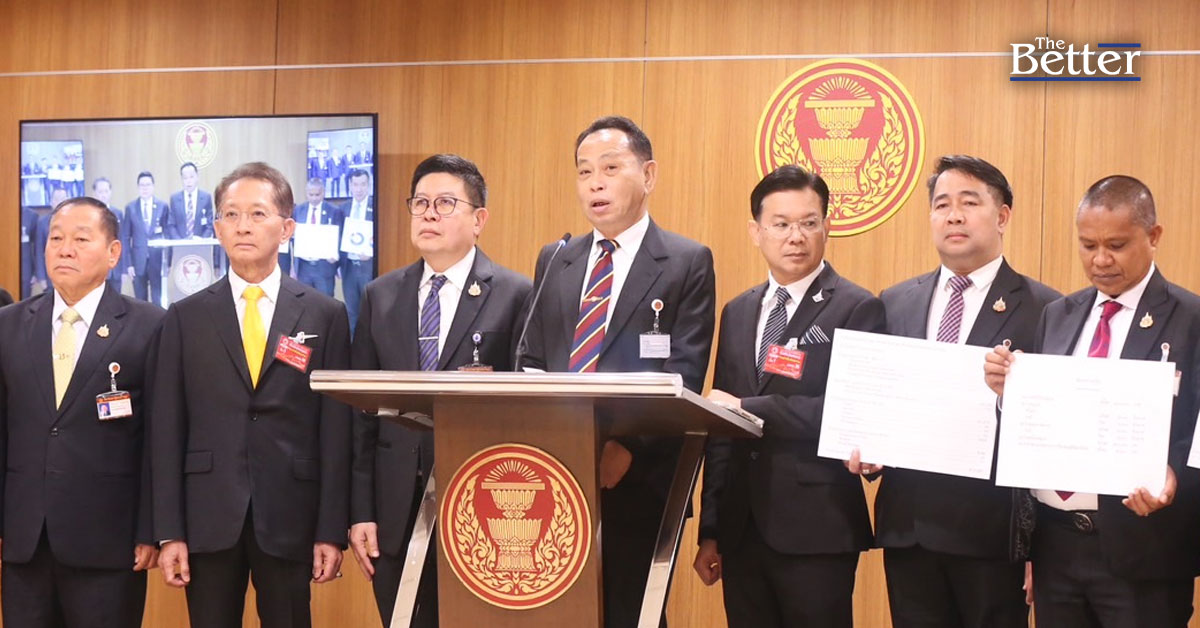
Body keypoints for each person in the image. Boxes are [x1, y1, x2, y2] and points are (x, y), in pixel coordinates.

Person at [520, 116, 716, 627]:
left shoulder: (685, 261)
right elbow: (532, 359)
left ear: (648, 175)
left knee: (631, 614)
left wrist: (625, 448)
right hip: (554, 469)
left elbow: (684, 374)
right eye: (584, 172)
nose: (595, 184)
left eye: (610, 168)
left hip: (638, 476)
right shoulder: (556, 259)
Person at [984, 175, 1200, 628]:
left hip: (1145, 550)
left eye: (1116, 245)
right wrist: (1011, 396)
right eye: (1088, 245)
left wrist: (1176, 477)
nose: (1100, 260)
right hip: (1056, 546)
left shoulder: (1190, 319)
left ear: (1153, 236)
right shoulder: (1059, 315)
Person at [854, 156, 1060, 628]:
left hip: (993, 536)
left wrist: (1040, 545)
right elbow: (881, 403)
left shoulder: (1046, 309)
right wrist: (869, 447)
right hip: (909, 530)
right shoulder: (895, 301)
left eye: (969, 203)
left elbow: (1051, 432)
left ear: (1002, 216)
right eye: (942, 204)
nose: (954, 216)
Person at [151, 162, 352, 627]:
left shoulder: (325, 315)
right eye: (231, 214)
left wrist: (330, 529)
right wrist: (169, 532)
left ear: (287, 228)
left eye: (258, 214)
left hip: (291, 513)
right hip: (207, 517)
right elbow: (166, 430)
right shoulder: (184, 318)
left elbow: (336, 430)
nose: (243, 226)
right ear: (217, 228)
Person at [349, 154, 532, 627]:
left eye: (445, 203)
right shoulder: (380, 296)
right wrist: (361, 511)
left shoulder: (515, 294)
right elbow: (361, 417)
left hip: (480, 504)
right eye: (420, 203)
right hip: (393, 506)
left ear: (479, 219)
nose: (429, 214)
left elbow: (527, 410)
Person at [694, 166, 881, 628]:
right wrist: (711, 530)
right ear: (756, 231)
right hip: (742, 529)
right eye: (780, 224)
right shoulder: (738, 311)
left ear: (827, 226)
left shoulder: (857, 307)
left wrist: (749, 409)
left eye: (808, 223)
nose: (795, 237)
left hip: (816, 529)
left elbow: (848, 413)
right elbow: (721, 430)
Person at [0, 196, 163, 627]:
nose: (65, 250)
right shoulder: (9, 325)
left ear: (113, 253)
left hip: (110, 541)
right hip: (25, 541)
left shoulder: (149, 326)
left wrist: (151, 528)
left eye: (80, 239)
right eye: (56, 239)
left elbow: (159, 439)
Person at [120, 172, 170, 305]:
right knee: (140, 302)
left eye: (148, 185)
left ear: (153, 186)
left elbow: (167, 235)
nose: (145, 188)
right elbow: (125, 238)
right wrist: (128, 264)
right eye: (142, 185)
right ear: (138, 187)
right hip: (137, 262)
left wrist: (168, 262)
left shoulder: (162, 206)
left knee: (158, 300)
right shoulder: (131, 208)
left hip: (157, 261)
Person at [292, 178, 342, 297]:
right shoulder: (299, 210)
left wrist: (336, 255)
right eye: (311, 195)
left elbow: (339, 236)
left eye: (317, 195)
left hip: (324, 267)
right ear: (306, 193)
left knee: (325, 302)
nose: (314, 198)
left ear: (323, 193)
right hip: (304, 267)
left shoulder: (334, 211)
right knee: (304, 302)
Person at [340, 169, 375, 333]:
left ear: (369, 185)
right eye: (355, 184)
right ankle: (354, 347)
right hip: (348, 268)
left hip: (369, 267)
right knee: (351, 313)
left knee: (371, 312)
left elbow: (385, 234)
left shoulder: (377, 206)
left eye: (363, 184)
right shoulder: (343, 208)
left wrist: (372, 251)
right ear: (350, 186)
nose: (359, 189)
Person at [168, 162, 215, 239]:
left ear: (197, 177)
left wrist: (202, 240)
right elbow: (171, 225)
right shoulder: (175, 199)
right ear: (181, 179)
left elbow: (209, 225)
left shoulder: (206, 198)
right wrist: (179, 242)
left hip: (200, 243)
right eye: (185, 178)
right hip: (180, 244)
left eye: (191, 177)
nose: (188, 181)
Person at [93, 177, 126, 287]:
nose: (103, 195)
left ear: (110, 192)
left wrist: (124, 270)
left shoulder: (118, 213)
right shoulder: (89, 215)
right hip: (97, 270)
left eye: (106, 191)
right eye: (100, 192)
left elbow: (122, 240)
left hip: (116, 270)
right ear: (95, 193)